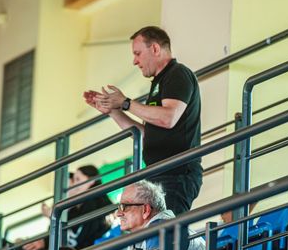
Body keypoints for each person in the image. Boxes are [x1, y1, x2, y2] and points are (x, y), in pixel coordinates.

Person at [84, 26, 202, 215]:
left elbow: (168, 118)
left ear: (155, 48)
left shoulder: (178, 74)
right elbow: (147, 135)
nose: (135, 61)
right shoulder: (159, 82)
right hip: (157, 173)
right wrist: (113, 111)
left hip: (176, 173)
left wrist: (125, 103)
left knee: (166, 230)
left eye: (138, 53)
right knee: (151, 230)